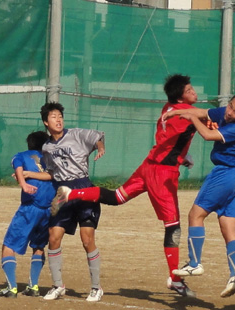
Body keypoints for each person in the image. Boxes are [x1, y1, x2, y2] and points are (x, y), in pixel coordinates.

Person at [50, 74, 198, 297]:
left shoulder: (169, 107)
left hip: (149, 166)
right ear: (180, 97)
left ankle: (71, 193)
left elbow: (173, 139)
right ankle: (176, 280)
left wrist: (180, 156)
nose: (194, 92)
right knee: (173, 226)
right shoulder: (187, 114)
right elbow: (204, 124)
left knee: (117, 197)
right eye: (190, 90)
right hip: (162, 174)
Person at [164, 93, 235, 298]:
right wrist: (177, 111)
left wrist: (193, 119)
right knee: (228, 227)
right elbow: (202, 112)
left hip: (224, 174)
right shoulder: (225, 113)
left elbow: (208, 134)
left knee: (195, 215)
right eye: (230, 107)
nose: (230, 113)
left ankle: (194, 263)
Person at [37, 102, 106, 302]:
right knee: (53, 237)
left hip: (83, 188)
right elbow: (51, 174)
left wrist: (100, 147)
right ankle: (58, 285)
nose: (58, 120)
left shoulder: (76, 134)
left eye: (60, 116)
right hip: (61, 192)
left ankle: (96, 287)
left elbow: (97, 137)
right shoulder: (47, 147)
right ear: (45, 122)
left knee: (87, 240)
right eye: (53, 117)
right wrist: (26, 174)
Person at [0, 131, 56, 298]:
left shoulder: (21, 155)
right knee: (38, 246)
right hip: (48, 209)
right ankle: (34, 286)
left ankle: (12, 288)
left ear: (29, 144)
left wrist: (23, 183)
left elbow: (18, 167)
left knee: (8, 245)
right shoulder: (51, 159)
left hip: (30, 206)